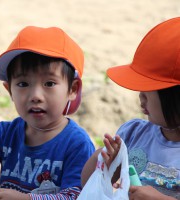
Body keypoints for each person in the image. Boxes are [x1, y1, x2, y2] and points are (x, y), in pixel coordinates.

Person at [0, 26, 95, 200]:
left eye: (49, 83)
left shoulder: (77, 143)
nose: (36, 96)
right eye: (23, 84)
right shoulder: (5, 134)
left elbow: (75, 196)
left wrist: (27, 199)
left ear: (72, 89)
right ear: (9, 90)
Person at [81, 17, 180, 200]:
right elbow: (87, 183)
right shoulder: (133, 134)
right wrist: (104, 162)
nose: (141, 95)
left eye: (150, 88)